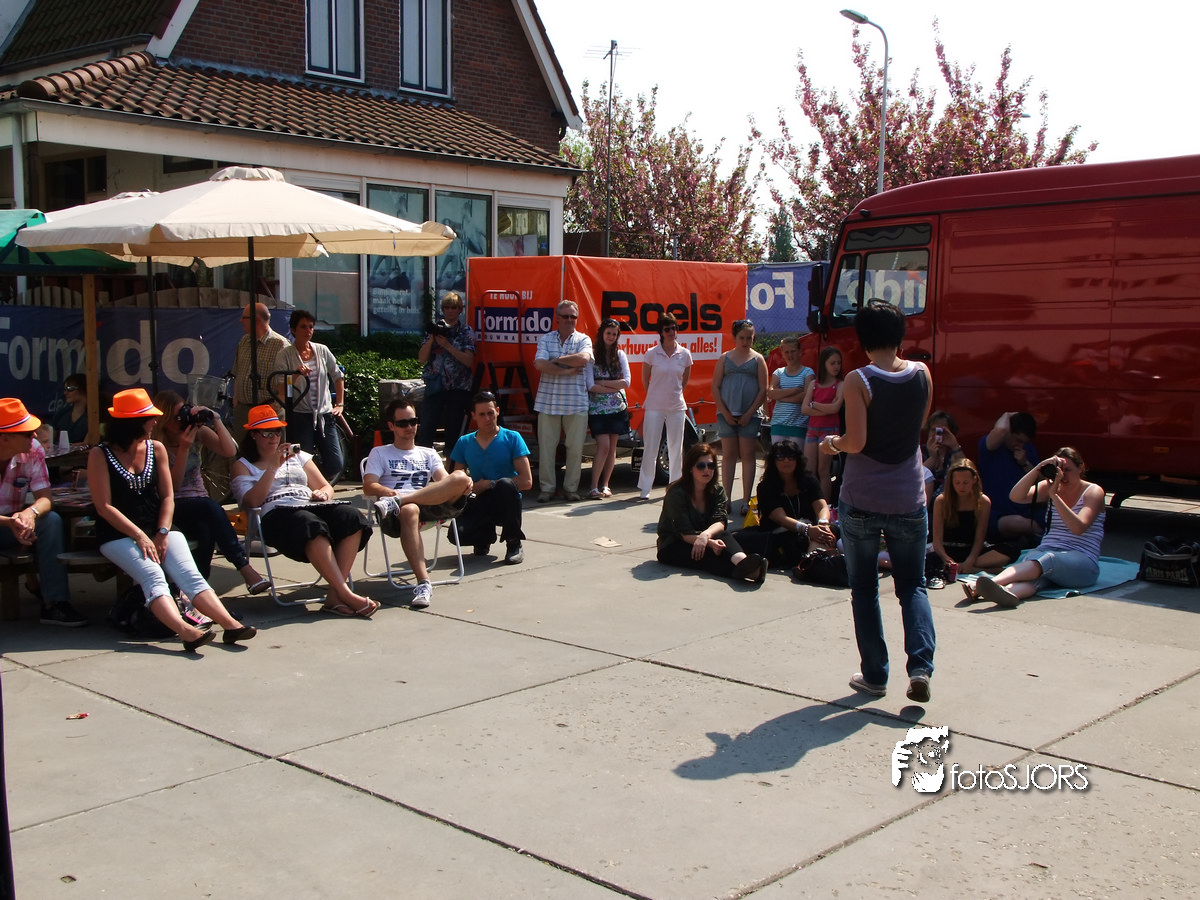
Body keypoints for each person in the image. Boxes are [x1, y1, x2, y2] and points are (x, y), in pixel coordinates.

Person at [819, 299, 935, 704]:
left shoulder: (858, 380)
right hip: (908, 495)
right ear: (900, 335)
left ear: (863, 338)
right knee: (913, 586)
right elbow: (919, 424)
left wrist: (832, 444)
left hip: (863, 497)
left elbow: (857, 441)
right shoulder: (922, 374)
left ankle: (875, 675)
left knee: (865, 588)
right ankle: (920, 667)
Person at [89, 389, 255, 651]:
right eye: (150, 417)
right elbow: (104, 506)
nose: (155, 421)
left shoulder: (156, 449)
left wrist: (163, 531)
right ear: (133, 422)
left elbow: (168, 496)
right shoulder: (100, 454)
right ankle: (185, 630)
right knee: (153, 575)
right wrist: (140, 536)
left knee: (190, 574)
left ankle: (230, 625)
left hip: (158, 526)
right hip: (118, 533)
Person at [231, 405, 377, 618]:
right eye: (267, 433)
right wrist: (273, 466)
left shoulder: (298, 457)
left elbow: (326, 486)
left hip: (309, 504)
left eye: (277, 431)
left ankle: (334, 596)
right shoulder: (244, 465)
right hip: (276, 514)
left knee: (351, 517)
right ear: (253, 435)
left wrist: (323, 494)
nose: (274, 437)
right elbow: (252, 501)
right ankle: (345, 593)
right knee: (310, 525)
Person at [151, 390, 268, 594]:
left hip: (200, 503)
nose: (183, 420)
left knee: (205, 530)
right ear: (165, 419)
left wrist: (216, 420)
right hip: (173, 504)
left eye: (185, 412)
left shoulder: (197, 433)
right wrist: (183, 449)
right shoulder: (157, 445)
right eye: (178, 417)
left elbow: (230, 451)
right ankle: (244, 567)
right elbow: (173, 486)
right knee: (211, 508)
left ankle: (195, 591)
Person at [363, 398, 474, 608]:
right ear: (391, 426)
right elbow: (369, 486)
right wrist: (387, 492)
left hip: (430, 506)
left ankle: (400, 500)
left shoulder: (428, 453)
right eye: (403, 423)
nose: (410, 427)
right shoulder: (380, 453)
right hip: (396, 515)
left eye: (413, 421)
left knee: (460, 476)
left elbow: (444, 481)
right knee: (409, 509)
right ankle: (423, 583)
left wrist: (461, 485)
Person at [970, 447, 1105, 608]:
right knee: (1036, 574)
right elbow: (1015, 496)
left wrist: (1054, 495)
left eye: (1068, 470)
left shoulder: (1093, 491)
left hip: (1083, 563)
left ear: (1081, 468)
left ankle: (987, 584)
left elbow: (1078, 528)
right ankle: (1008, 593)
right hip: (1046, 555)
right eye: (1059, 471)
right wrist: (1038, 468)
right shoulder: (1050, 486)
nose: (1063, 476)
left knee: (1047, 560)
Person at [0, 398, 85, 626]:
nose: (35, 435)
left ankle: (54, 603)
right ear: (5, 438)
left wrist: (30, 514)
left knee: (51, 521)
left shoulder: (33, 450)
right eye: (28, 433)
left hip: (13, 524)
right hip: (7, 523)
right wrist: (9, 522)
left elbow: (45, 498)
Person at [656, 442, 765, 583]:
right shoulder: (676, 493)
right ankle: (751, 572)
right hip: (674, 543)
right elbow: (684, 532)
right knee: (707, 555)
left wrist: (706, 535)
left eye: (711, 465)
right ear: (690, 468)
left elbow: (720, 521)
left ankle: (743, 562)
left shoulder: (717, 490)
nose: (707, 470)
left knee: (723, 535)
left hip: (704, 535)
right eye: (701, 466)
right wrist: (709, 543)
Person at [449, 392, 533, 564]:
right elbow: (456, 481)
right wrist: (473, 487)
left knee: (505, 485)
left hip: (505, 501)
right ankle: (483, 538)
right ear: (473, 416)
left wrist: (490, 484)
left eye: (490, 413)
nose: (487, 418)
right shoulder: (464, 442)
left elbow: (526, 481)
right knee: (457, 535)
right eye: (482, 414)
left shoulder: (512, 438)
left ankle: (513, 543)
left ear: (497, 411)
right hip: (478, 500)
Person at [740, 439, 837, 570]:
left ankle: (811, 563)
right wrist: (807, 530)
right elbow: (781, 518)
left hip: (811, 532)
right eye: (780, 456)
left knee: (829, 532)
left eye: (791, 456)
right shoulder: (765, 487)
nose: (786, 460)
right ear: (773, 461)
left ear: (798, 459)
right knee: (813, 537)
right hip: (780, 535)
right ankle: (812, 565)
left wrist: (823, 523)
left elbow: (821, 506)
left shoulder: (809, 481)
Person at [275, 309, 346, 480]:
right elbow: (281, 388)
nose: (308, 331)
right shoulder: (285, 354)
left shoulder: (322, 350)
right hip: (300, 415)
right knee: (303, 460)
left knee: (335, 463)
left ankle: (318, 481)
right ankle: (310, 485)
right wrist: (296, 375)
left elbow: (338, 376)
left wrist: (340, 404)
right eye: (303, 327)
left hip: (324, 414)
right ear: (293, 330)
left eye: (311, 327)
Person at [533, 300, 592, 502]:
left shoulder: (583, 339)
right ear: (557, 318)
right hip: (547, 402)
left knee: (575, 450)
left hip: (576, 402)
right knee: (546, 449)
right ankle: (547, 489)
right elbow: (539, 364)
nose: (569, 320)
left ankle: (571, 489)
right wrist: (567, 371)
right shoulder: (546, 339)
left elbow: (583, 359)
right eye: (565, 316)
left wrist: (557, 360)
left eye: (573, 316)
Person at [712, 319, 768, 516]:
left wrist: (750, 413)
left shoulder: (758, 359)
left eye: (749, 338)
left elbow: (763, 389)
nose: (745, 342)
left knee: (748, 455)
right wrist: (726, 412)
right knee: (728, 455)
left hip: (749, 416)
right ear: (735, 337)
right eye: (742, 338)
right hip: (726, 414)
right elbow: (715, 387)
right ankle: (725, 500)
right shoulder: (725, 358)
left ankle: (745, 500)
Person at [930, 458, 1017, 582]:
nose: (961, 487)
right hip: (947, 551)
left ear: (974, 480)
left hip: (972, 551)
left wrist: (970, 560)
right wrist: (946, 559)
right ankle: (973, 569)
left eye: (965, 482)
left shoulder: (982, 501)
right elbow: (937, 541)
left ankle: (970, 567)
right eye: (957, 483)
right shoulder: (941, 501)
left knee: (1011, 550)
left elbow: (979, 538)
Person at [636, 313, 692, 502]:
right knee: (650, 447)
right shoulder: (651, 353)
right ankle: (645, 487)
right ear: (661, 331)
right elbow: (645, 379)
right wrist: (655, 395)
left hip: (677, 407)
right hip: (654, 407)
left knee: (676, 448)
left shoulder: (685, 354)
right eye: (667, 329)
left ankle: (675, 486)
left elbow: (684, 380)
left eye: (674, 328)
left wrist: (675, 394)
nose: (671, 332)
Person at [417, 291, 477, 453]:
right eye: (447, 307)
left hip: (458, 388)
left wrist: (447, 346)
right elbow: (421, 358)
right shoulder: (435, 329)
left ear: (460, 310)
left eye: (454, 307)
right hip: (435, 385)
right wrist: (432, 339)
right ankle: (423, 463)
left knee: (453, 433)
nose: (450, 311)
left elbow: (468, 360)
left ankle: (452, 465)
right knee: (426, 429)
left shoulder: (465, 331)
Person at [978, 411, 1043, 543]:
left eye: (1024, 442)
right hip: (997, 515)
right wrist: (1008, 414)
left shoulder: (1027, 449)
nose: (1020, 445)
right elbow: (1001, 429)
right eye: (1018, 440)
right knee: (1025, 525)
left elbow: (1042, 482)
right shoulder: (990, 446)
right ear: (1009, 432)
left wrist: (1025, 464)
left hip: (1025, 511)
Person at [585, 318, 631, 499]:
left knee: (612, 448)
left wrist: (602, 383)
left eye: (614, 334)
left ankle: (605, 485)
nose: (611, 337)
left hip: (617, 408)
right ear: (602, 334)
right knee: (603, 446)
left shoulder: (620, 355)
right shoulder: (592, 356)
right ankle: (593, 486)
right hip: (598, 409)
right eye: (608, 333)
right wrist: (613, 385)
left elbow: (626, 382)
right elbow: (590, 385)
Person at [232, 302, 289, 437]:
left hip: (268, 413)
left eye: (244, 317)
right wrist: (236, 399)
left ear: (256, 320)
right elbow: (237, 372)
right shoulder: (244, 342)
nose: (240, 321)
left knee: (270, 448)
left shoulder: (280, 345)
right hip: (244, 411)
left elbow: (288, 383)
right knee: (243, 449)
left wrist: (276, 406)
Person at [801, 346, 844, 501]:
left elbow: (835, 408)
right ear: (824, 364)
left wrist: (815, 404)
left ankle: (825, 505)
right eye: (832, 363)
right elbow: (804, 409)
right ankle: (810, 503)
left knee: (823, 470)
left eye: (838, 363)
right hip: (812, 430)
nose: (836, 366)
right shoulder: (814, 384)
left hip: (829, 430)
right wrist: (825, 408)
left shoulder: (840, 384)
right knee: (809, 470)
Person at [768, 336, 814, 446]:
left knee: (797, 455)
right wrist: (794, 390)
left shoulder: (808, 372)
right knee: (778, 455)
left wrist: (780, 395)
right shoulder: (778, 372)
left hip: (798, 425)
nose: (790, 355)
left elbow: (805, 396)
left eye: (793, 351)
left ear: (799, 352)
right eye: (787, 352)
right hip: (778, 425)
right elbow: (771, 393)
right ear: (782, 354)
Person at [922, 410, 966, 504]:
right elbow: (916, 477)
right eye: (933, 430)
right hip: (924, 503)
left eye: (941, 431)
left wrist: (955, 446)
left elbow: (966, 473)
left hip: (946, 504)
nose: (937, 434)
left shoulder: (953, 454)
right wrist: (933, 458)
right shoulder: (920, 452)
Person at [49, 375, 89, 445]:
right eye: (65, 389)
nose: (65, 392)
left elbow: (88, 443)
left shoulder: (94, 415)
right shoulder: (61, 413)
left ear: (84, 389)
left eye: (70, 388)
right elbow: (50, 441)